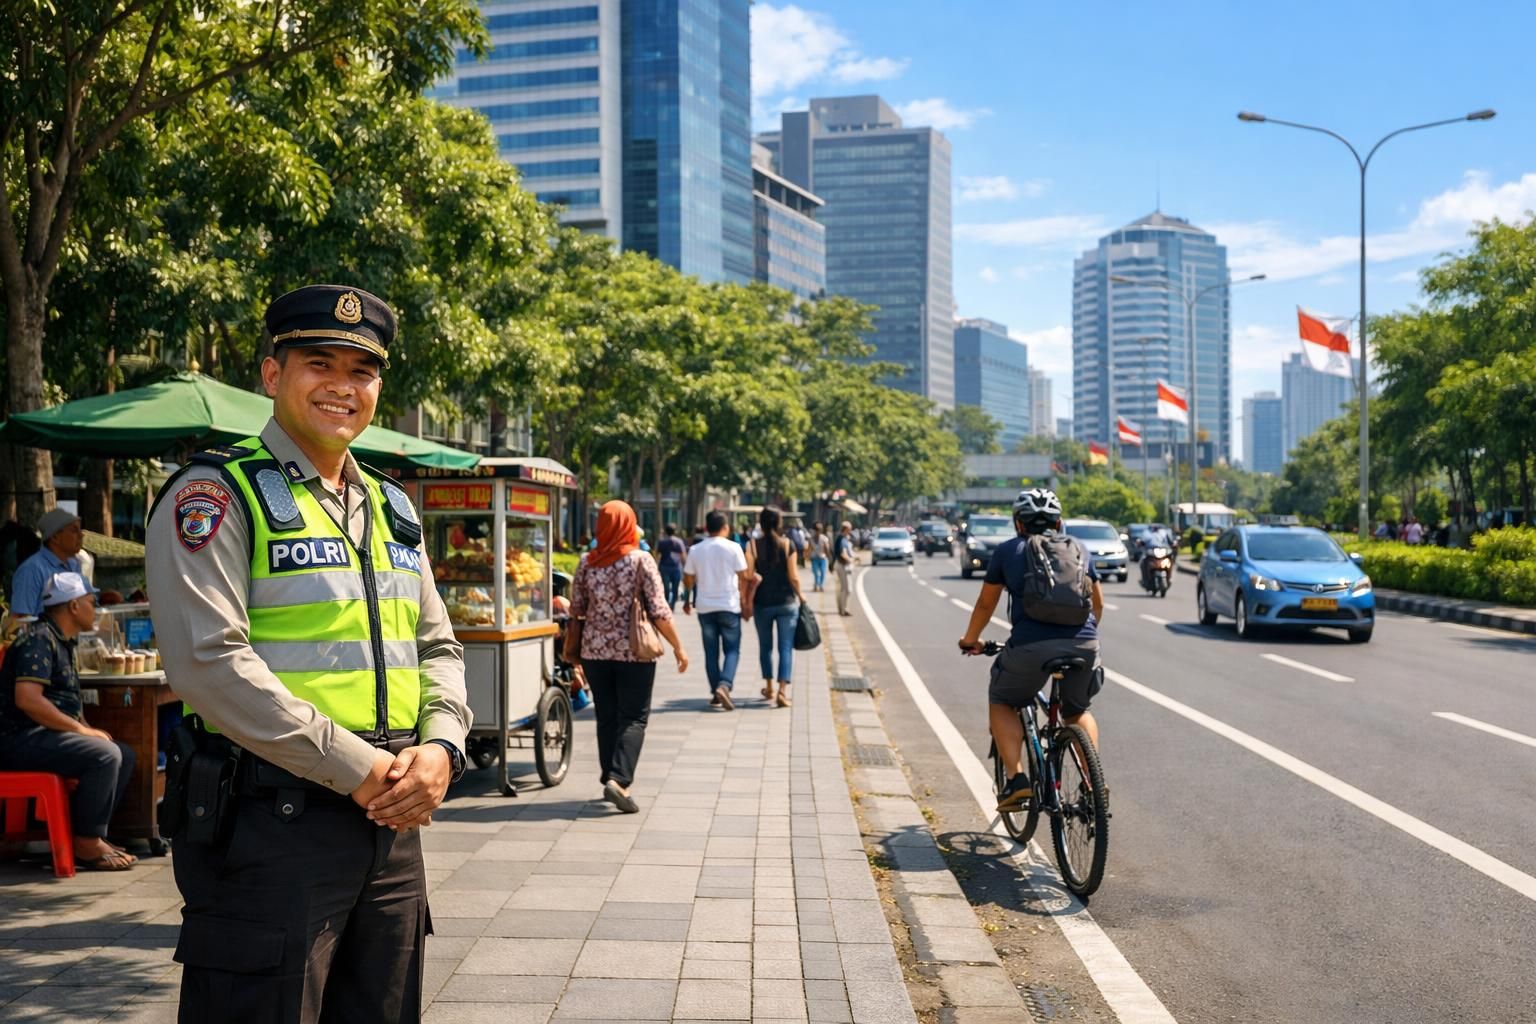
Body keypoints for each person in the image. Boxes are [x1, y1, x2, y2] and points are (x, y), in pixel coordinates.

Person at [146, 285, 471, 1024]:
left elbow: (437, 643)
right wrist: (359, 769)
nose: (342, 386)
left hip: (392, 824)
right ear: (271, 375)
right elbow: (211, 665)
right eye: (318, 363)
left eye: (361, 370)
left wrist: (444, 747)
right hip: (273, 822)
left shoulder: (394, 507)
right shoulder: (217, 497)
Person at [957, 488, 1105, 812]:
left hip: (1030, 647)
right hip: (1084, 643)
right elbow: (1097, 604)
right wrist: (1083, 637)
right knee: (1077, 710)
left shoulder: (1008, 550)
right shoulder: (1079, 548)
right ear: (1059, 522)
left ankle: (1016, 781)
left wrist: (970, 639)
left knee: (1003, 699)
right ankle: (1094, 784)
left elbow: (986, 604)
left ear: (1018, 524)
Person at [0, 572, 138, 872]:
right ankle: (87, 842)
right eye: (92, 601)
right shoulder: (37, 640)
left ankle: (88, 834)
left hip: (42, 736)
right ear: (74, 606)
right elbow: (28, 699)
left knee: (122, 753)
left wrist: (87, 729)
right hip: (17, 738)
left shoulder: (62, 640)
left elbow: (67, 702)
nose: (96, 608)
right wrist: (81, 731)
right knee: (104, 755)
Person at [565, 500, 688, 812]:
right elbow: (659, 611)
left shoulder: (586, 562)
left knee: (607, 715)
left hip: (594, 652)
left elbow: (576, 608)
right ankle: (619, 780)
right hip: (635, 652)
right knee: (633, 716)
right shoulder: (641, 560)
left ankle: (610, 774)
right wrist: (678, 646)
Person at [682, 510, 753, 711]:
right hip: (729, 605)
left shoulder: (696, 550)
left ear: (706, 527)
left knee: (710, 652)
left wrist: (687, 600)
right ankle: (724, 685)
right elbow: (744, 575)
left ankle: (715, 691)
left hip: (704, 606)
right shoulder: (733, 548)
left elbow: (688, 579)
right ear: (725, 527)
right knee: (732, 649)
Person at [746, 508, 803, 708]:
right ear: (779, 523)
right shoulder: (788, 545)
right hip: (787, 602)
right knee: (785, 648)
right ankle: (782, 691)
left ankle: (769, 687)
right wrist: (802, 596)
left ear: (760, 523)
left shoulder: (752, 545)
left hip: (762, 604)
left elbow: (748, 574)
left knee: (765, 647)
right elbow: (794, 576)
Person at [8, 508, 85, 620]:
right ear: (55, 537)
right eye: (74, 530)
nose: (81, 535)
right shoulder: (31, 570)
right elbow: (21, 620)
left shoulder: (74, 565)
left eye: (80, 530)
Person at [655, 524, 687, 610]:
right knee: (675, 588)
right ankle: (672, 605)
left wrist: (655, 567)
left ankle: (666, 604)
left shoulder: (661, 542)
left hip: (664, 567)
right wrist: (685, 567)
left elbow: (657, 555)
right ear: (675, 531)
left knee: (665, 588)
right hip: (676, 567)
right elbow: (683, 556)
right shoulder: (679, 542)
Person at [832, 521, 856, 616]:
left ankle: (844, 608)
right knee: (846, 589)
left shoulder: (844, 539)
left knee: (845, 589)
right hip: (842, 565)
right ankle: (843, 609)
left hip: (845, 565)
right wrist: (850, 559)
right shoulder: (841, 539)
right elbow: (842, 553)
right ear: (846, 529)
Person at [806, 522, 831, 593]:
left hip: (822, 558)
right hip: (814, 558)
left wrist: (829, 557)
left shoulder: (824, 538)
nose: (817, 531)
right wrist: (807, 556)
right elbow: (809, 548)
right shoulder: (811, 539)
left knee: (823, 572)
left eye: (819, 529)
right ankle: (816, 585)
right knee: (816, 572)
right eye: (816, 529)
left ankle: (821, 585)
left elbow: (827, 549)